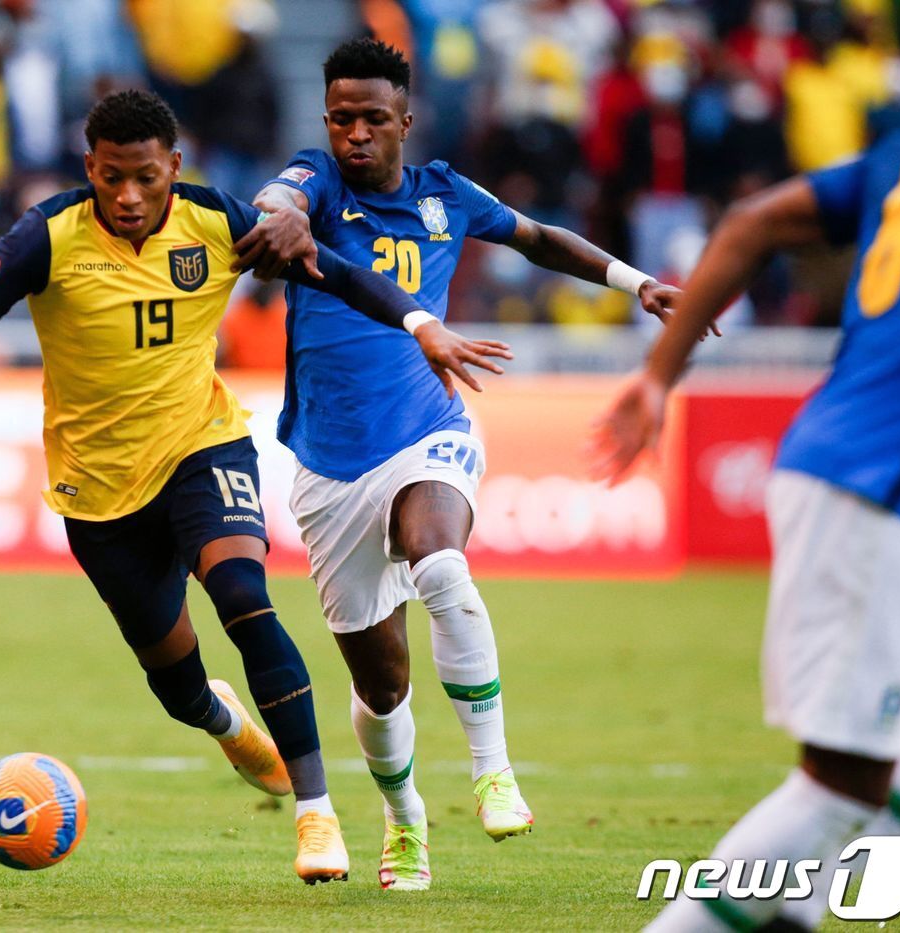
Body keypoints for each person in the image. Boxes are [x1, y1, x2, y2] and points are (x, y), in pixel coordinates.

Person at [0, 89, 509, 884]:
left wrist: (420, 324)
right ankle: (226, 723)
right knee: (178, 684)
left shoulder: (212, 221)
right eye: (112, 177)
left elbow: (336, 272)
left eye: (146, 178)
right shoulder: (46, 237)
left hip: (204, 447)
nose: (128, 196)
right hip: (98, 492)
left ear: (174, 170)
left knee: (244, 599)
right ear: (90, 167)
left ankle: (316, 814)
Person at [233, 38, 691, 891]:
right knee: (381, 686)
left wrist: (637, 284)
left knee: (441, 559)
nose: (355, 134)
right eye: (341, 119)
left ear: (406, 119)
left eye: (373, 118)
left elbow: (542, 240)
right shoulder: (317, 180)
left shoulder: (447, 194)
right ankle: (404, 821)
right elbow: (280, 200)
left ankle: (493, 768)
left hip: (428, 431)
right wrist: (281, 214)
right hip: (329, 468)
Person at [590, 124, 900, 930]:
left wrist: (657, 374)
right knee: (841, 784)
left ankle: (791, 911)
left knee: (846, 790)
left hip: (859, 467)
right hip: (878, 485)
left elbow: (751, 223)